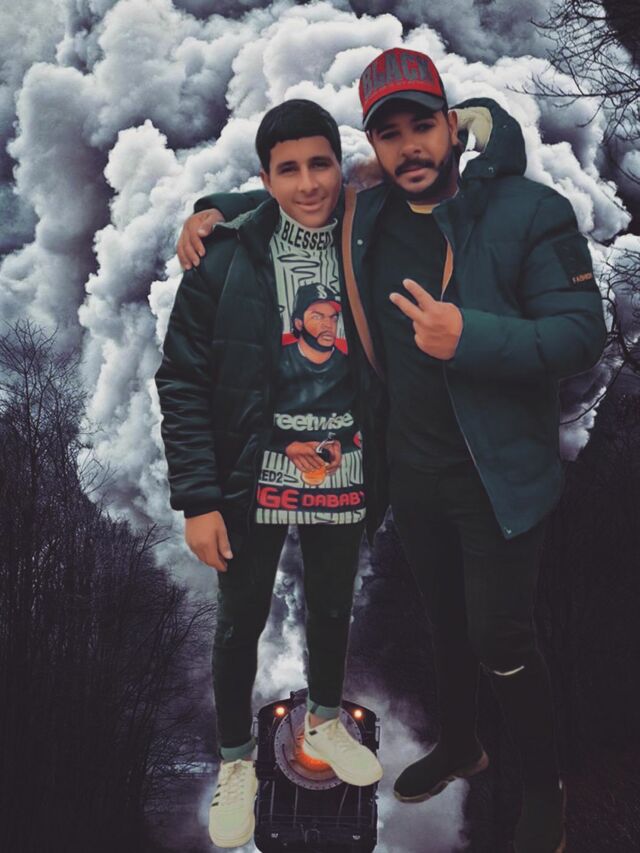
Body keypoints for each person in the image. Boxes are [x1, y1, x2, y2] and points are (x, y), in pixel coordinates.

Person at [177, 48, 607, 853]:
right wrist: (210, 211)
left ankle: (543, 788)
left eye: (422, 126)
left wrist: (469, 335)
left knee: (501, 638)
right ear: (373, 147)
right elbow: (296, 198)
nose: (409, 146)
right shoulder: (367, 216)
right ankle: (460, 744)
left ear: (452, 126)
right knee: (444, 622)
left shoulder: (528, 209)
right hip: (410, 474)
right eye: (389, 133)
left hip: (499, 476)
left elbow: (584, 333)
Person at [154, 99, 386, 850]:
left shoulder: (369, 235)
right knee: (238, 622)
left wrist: (214, 202)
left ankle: (325, 718)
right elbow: (181, 379)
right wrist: (196, 499)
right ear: (265, 178)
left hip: (346, 463)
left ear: (341, 167)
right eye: (288, 169)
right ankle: (235, 762)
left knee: (331, 607)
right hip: (251, 472)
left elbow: (430, 181)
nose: (308, 183)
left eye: (321, 164)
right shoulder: (222, 258)